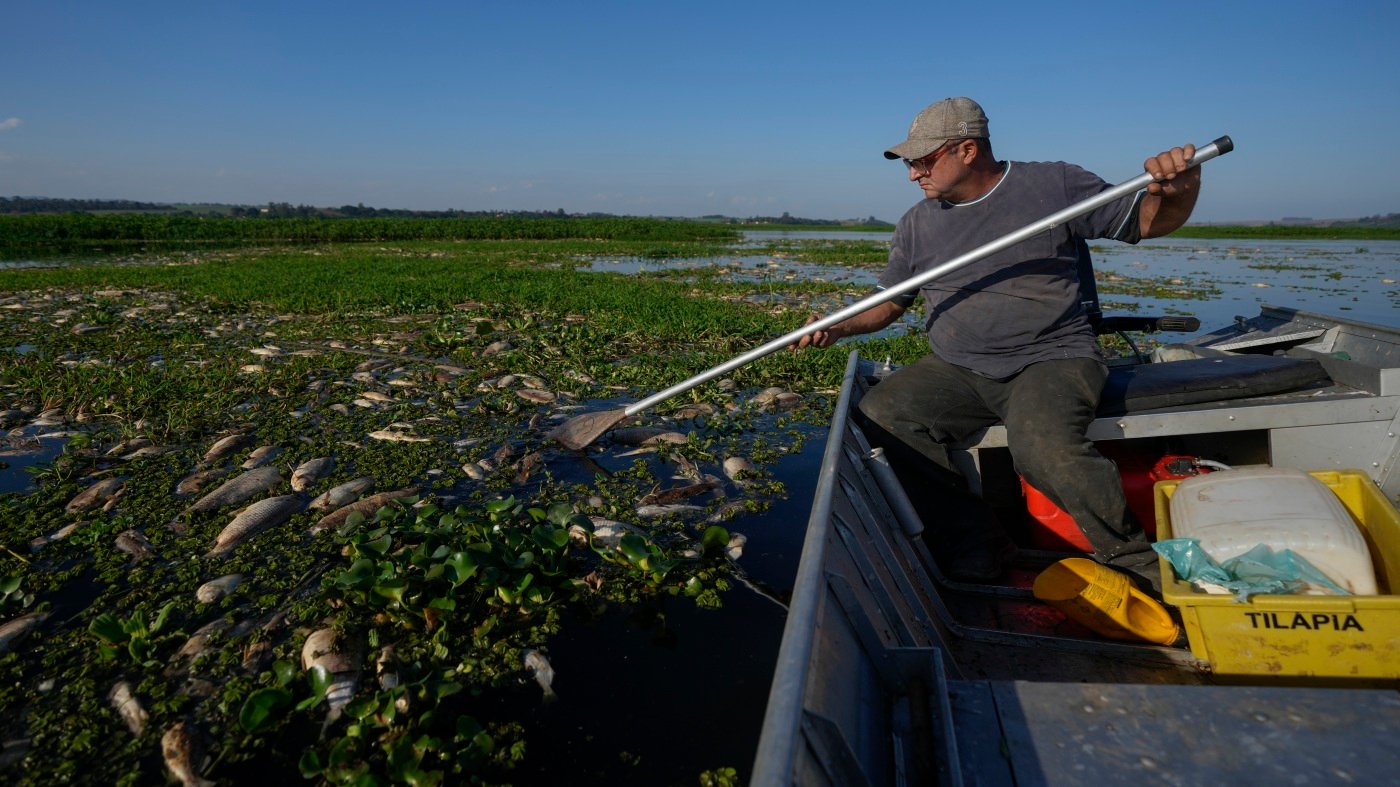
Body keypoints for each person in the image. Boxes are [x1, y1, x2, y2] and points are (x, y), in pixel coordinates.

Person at [794, 96, 1201, 587]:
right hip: (958, 367)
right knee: (883, 415)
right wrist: (838, 327)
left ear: (966, 150)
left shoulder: (1054, 184)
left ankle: (1135, 561)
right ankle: (976, 541)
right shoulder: (918, 223)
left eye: (922, 160)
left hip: (1051, 359)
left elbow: (1147, 220)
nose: (912, 175)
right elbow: (889, 304)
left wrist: (1178, 190)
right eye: (908, 163)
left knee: (1042, 448)